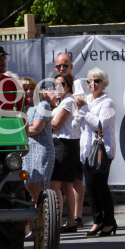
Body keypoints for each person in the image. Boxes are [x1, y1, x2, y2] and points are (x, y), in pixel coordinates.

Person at [74, 68, 116, 237]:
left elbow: (100, 124)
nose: (92, 84)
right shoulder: (87, 102)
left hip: (101, 151)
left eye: (96, 81)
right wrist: (79, 113)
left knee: (101, 186)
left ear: (104, 83)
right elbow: (77, 126)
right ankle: (97, 220)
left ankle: (109, 222)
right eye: (89, 81)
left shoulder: (107, 102)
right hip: (86, 150)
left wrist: (84, 111)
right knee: (91, 187)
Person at [46, 72, 81, 232]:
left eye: (62, 84)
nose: (58, 87)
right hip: (62, 143)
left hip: (64, 144)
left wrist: (51, 105)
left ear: (69, 86)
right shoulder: (63, 101)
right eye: (56, 85)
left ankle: (60, 222)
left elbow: (55, 125)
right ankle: (70, 222)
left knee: (57, 184)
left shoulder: (68, 101)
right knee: (66, 184)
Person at [21, 77, 54, 211]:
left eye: (31, 88)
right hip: (27, 150)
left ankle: (46, 221)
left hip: (41, 149)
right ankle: (36, 224)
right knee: (30, 187)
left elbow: (36, 128)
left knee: (40, 187)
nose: (28, 91)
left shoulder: (43, 105)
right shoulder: (23, 107)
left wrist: (17, 130)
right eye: (25, 89)